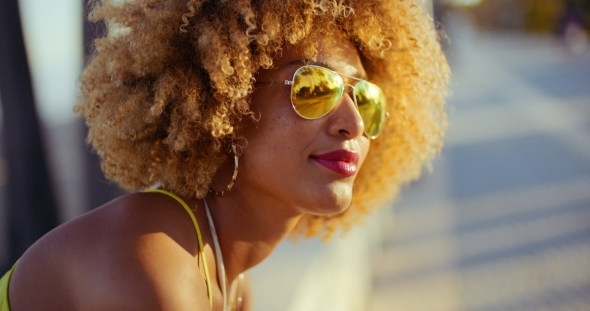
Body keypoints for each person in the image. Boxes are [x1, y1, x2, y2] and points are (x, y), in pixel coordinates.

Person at [0, 0, 449, 310]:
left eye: (367, 99)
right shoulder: (150, 264)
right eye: (315, 88)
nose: (351, 121)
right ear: (226, 101)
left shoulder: (230, 282)